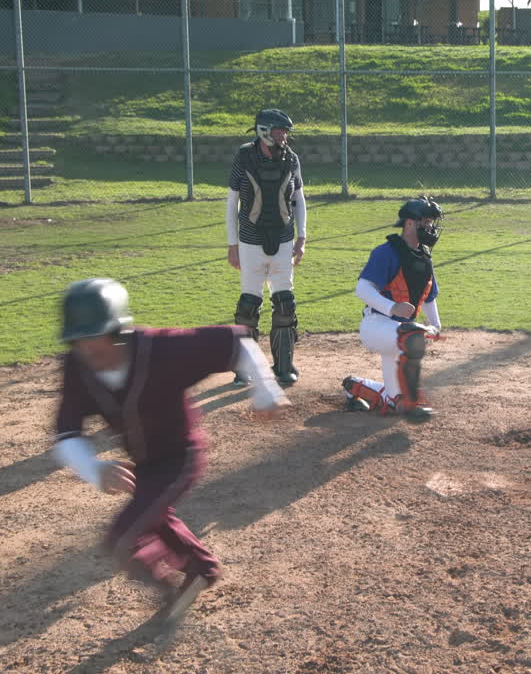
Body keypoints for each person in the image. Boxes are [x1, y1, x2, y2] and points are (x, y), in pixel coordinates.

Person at [50, 278, 288, 644]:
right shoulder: (77, 367)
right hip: (143, 462)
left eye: (95, 334)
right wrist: (94, 468)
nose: (86, 346)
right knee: (153, 515)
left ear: (117, 328)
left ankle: (171, 594)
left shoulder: (159, 349)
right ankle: (202, 569)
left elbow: (236, 341)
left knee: (121, 537)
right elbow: (66, 434)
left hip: (180, 456)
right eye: (77, 339)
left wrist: (266, 391)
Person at [341, 196, 444, 423]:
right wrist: (392, 307)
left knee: (394, 401)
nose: (430, 228)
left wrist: (435, 324)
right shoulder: (387, 252)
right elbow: (362, 289)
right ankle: (411, 401)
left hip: (399, 331)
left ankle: (356, 387)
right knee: (412, 336)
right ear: (409, 223)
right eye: (425, 222)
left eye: (431, 223)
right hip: (376, 326)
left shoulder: (424, 257)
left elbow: (428, 296)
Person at [227, 107, 307, 388]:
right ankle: (244, 369)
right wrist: (232, 243)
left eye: (285, 131)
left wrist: (302, 237)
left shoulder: (291, 158)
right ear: (264, 131)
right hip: (250, 241)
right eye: (279, 130)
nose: (284, 135)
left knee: (285, 301)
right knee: (248, 303)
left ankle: (284, 367)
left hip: (284, 239)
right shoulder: (244, 156)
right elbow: (231, 202)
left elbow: (299, 198)